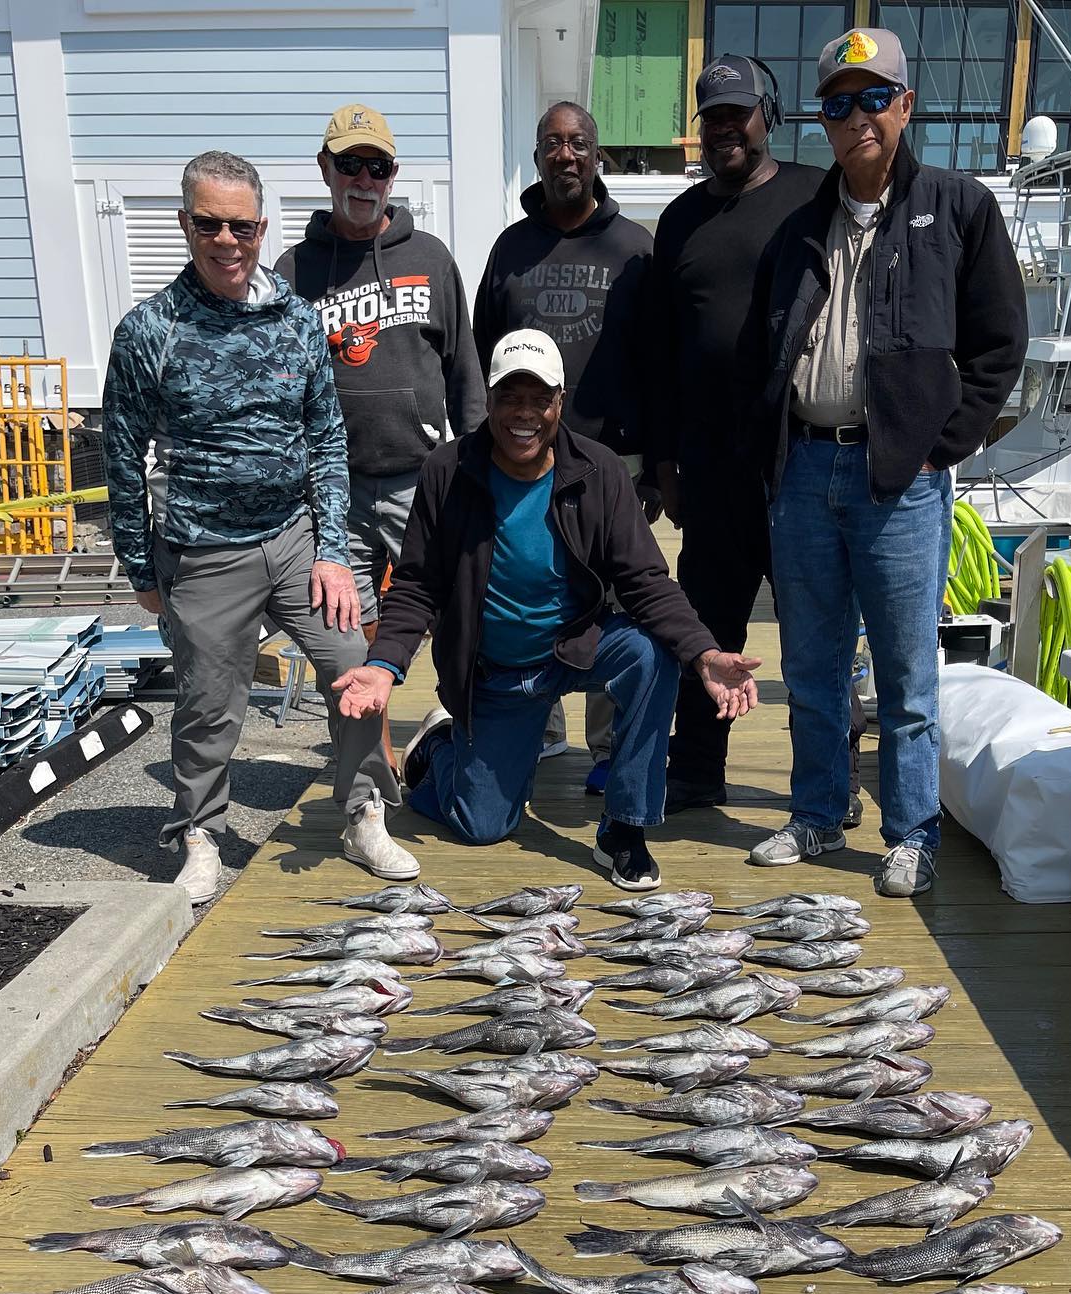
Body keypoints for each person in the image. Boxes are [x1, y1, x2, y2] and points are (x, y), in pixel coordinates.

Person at [330, 330, 761, 892]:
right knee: (482, 825)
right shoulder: (447, 469)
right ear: (489, 399)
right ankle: (437, 750)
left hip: (574, 646)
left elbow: (646, 581)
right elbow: (416, 584)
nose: (524, 414)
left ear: (561, 402)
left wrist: (703, 654)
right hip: (497, 671)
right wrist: (385, 665)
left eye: (540, 399)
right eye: (510, 397)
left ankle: (625, 829)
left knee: (650, 654)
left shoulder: (599, 470)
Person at [750, 28, 1027, 895]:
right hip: (805, 471)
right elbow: (762, 347)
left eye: (874, 98)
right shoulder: (798, 227)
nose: (857, 117)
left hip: (900, 479)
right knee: (811, 666)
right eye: (839, 104)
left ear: (905, 106)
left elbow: (1001, 344)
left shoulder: (958, 207)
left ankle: (911, 831)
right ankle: (818, 812)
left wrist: (941, 444)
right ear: (822, 120)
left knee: (908, 674)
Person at [102, 150, 410, 902]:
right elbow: (121, 455)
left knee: (352, 664)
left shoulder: (298, 320)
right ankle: (200, 834)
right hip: (204, 551)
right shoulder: (150, 331)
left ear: (262, 228)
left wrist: (332, 551)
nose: (226, 241)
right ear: (185, 225)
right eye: (209, 224)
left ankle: (362, 812)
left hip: (296, 539)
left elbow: (327, 439)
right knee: (209, 705)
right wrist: (142, 570)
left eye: (241, 226)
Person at [644, 54, 865, 818]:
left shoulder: (816, 193)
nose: (725, 129)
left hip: (800, 460)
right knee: (707, 628)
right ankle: (696, 771)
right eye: (712, 117)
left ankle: (832, 783)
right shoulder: (679, 220)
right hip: (710, 469)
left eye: (737, 114)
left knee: (816, 635)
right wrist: (663, 460)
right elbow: (661, 354)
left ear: (767, 114)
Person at [275, 103, 485, 769]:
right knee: (352, 631)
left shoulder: (430, 257)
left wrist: (481, 466)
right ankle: (378, 771)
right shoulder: (292, 271)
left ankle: (468, 739)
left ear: (393, 176)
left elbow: (465, 371)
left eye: (378, 167)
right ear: (325, 169)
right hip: (332, 491)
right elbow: (279, 390)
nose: (364, 179)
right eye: (350, 164)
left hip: (421, 477)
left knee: (457, 612)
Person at [473, 100, 654, 796]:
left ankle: (608, 743)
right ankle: (538, 729)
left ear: (597, 153)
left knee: (613, 601)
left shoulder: (634, 246)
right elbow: (483, 353)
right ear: (538, 157)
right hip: (522, 458)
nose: (566, 154)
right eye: (552, 143)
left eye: (578, 142)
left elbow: (660, 359)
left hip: (614, 460)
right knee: (530, 585)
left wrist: (656, 461)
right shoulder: (511, 248)